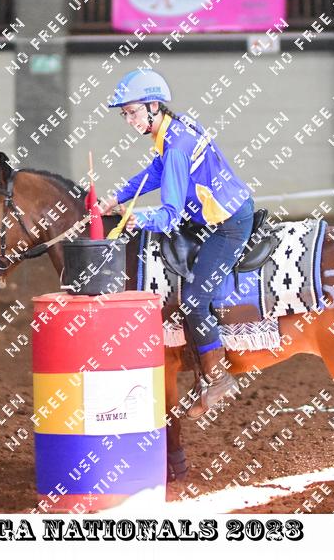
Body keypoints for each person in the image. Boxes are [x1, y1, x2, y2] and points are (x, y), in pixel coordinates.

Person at [99, 69, 255, 419]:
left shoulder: (176, 149)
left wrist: (138, 219)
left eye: (133, 112)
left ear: (154, 106)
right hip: (219, 213)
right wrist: (116, 197)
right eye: (125, 115)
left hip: (228, 225)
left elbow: (169, 216)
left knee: (195, 301)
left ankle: (218, 380)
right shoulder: (174, 131)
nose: (129, 120)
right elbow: (155, 173)